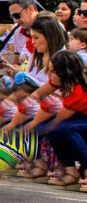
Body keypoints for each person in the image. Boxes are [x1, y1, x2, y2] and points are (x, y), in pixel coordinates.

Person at [35, 51, 87, 189]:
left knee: (63, 127)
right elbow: (38, 95)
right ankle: (71, 171)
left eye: (53, 71)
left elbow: (57, 121)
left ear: (65, 72)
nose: (49, 75)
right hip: (82, 119)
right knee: (54, 130)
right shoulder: (65, 84)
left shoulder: (78, 91)